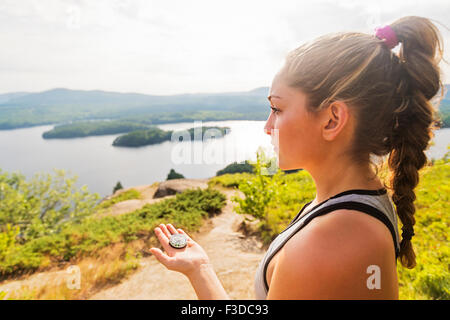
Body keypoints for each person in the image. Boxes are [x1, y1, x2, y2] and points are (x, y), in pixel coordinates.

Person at [149, 15, 445, 299]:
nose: (268, 127)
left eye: (277, 109)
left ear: (332, 120)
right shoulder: (354, 210)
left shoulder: (325, 244)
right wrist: (201, 270)